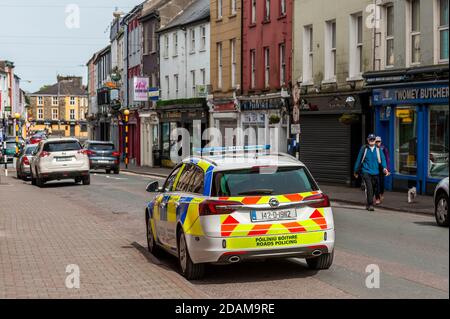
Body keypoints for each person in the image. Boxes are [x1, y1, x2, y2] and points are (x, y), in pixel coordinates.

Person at [354, 134, 389, 211]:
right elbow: (359, 159)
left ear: (375, 140)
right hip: (366, 172)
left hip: (375, 172)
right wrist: (355, 170)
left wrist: (385, 169)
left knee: (373, 188)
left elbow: (383, 160)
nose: (372, 141)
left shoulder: (378, 149)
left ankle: (368, 203)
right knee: (369, 188)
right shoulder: (364, 148)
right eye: (370, 139)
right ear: (368, 140)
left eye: (373, 139)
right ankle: (370, 205)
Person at [375, 136, 390, 202]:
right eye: (376, 141)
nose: (378, 142)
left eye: (379, 141)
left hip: (382, 167)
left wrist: (387, 168)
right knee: (376, 183)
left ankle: (381, 194)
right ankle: (377, 198)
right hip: (375, 167)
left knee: (381, 182)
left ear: (381, 142)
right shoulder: (372, 149)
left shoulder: (383, 148)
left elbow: (387, 159)